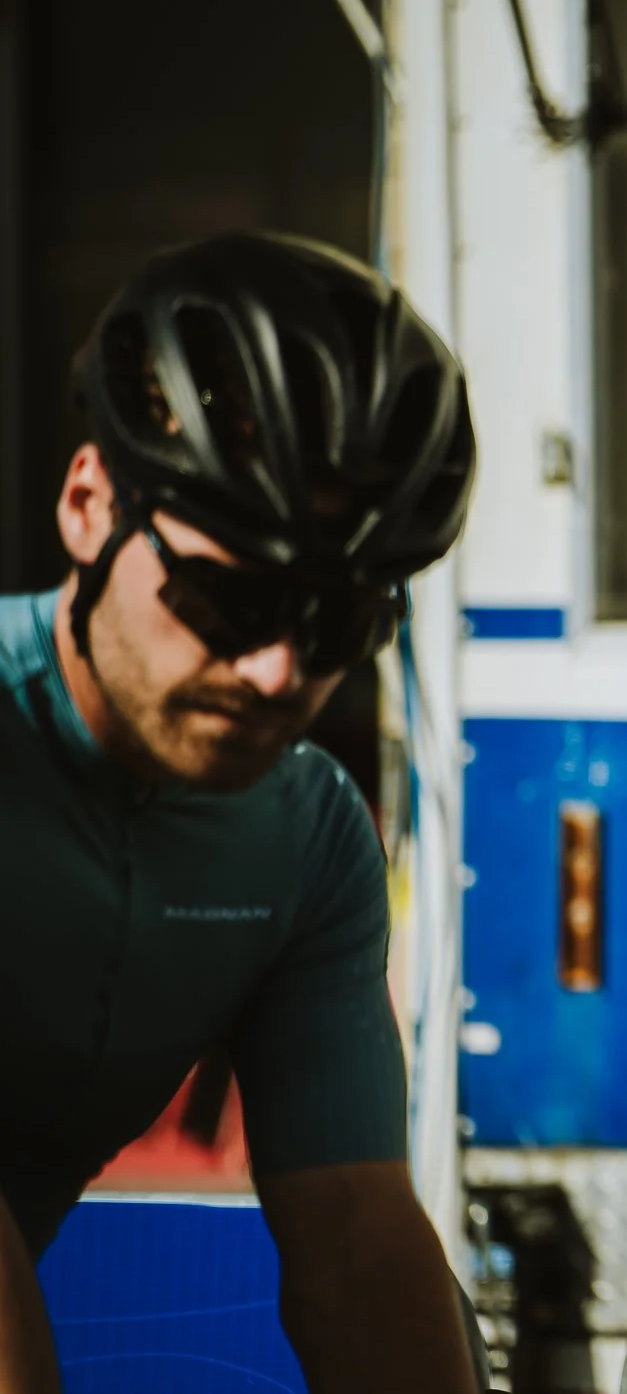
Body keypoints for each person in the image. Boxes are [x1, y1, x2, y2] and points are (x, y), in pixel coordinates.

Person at [0, 234, 481, 1394]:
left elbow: (358, 1250)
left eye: (335, 623)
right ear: (86, 503)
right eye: (229, 592)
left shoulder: (307, 834)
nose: (276, 670)